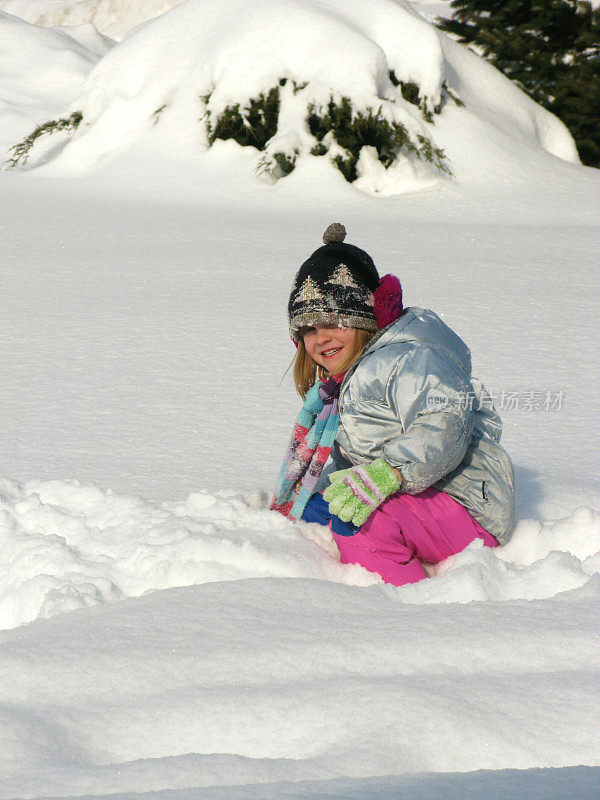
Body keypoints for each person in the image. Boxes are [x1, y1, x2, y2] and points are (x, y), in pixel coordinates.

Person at [271, 223, 515, 587]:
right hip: (411, 499)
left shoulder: (410, 359)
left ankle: (402, 609)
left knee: (360, 524)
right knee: (309, 506)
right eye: (307, 330)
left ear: (365, 319)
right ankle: (393, 549)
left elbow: (445, 419)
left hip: (467, 505)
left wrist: (390, 472)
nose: (320, 338)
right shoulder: (341, 384)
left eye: (333, 322)